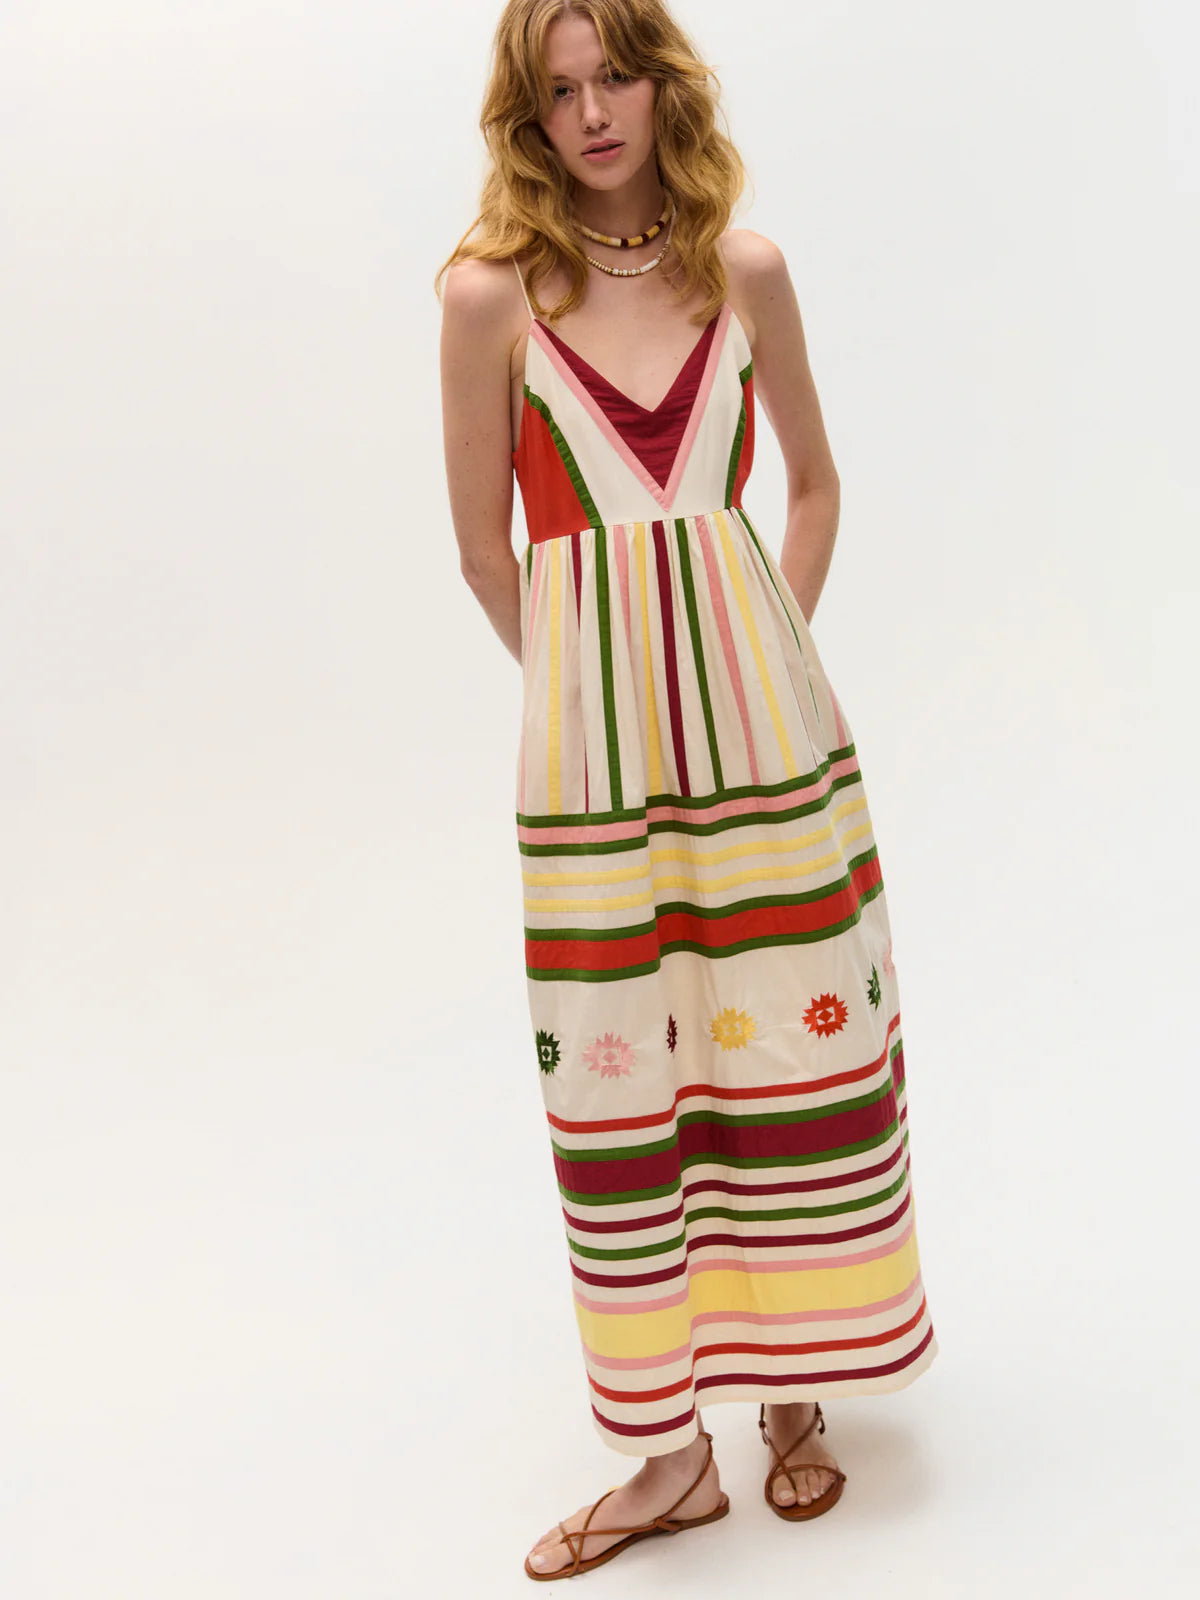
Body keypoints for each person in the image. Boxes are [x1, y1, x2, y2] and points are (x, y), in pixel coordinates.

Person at [436, 0, 938, 1580]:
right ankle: (670, 1455)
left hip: (766, 736)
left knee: (787, 1032)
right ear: (528, 115)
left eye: (618, 77)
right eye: (560, 90)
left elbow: (816, 486)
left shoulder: (746, 272)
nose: (594, 113)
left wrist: (759, 653)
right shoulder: (488, 298)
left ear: (664, 84)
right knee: (617, 1076)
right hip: (594, 761)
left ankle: (796, 1383)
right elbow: (482, 552)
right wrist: (582, 698)